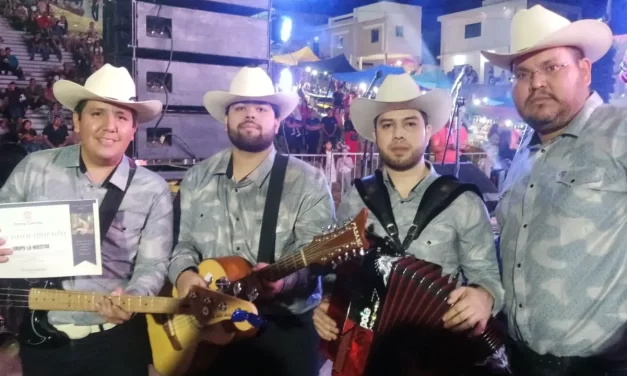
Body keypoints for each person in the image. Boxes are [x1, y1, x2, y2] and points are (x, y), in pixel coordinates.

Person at [313, 74, 504, 369]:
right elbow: (339, 271)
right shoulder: (356, 197)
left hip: (438, 356)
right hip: (362, 354)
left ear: (428, 130)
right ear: (376, 134)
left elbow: (487, 274)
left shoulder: (462, 201)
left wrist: (484, 297)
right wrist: (327, 305)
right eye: (387, 125)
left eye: (410, 124)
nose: (398, 135)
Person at [0, 64, 173, 376]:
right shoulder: (33, 167)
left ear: (133, 129)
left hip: (115, 340)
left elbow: (153, 264)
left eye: (121, 116)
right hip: (42, 339)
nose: (110, 125)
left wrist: (134, 297)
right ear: (76, 120)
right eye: (97, 113)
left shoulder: (153, 189)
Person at [481, 6, 627, 375]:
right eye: (523, 73)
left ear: (585, 69)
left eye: (552, 67)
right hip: (518, 360)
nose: (537, 83)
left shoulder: (618, 131)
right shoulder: (524, 153)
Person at [169, 66, 334, 376]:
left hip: (284, 328)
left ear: (277, 119)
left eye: (261, 108)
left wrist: (285, 280)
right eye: (240, 107)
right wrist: (184, 277)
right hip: (210, 328)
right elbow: (182, 244)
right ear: (226, 119)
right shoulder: (197, 178)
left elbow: (317, 257)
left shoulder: (308, 181)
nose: (250, 114)